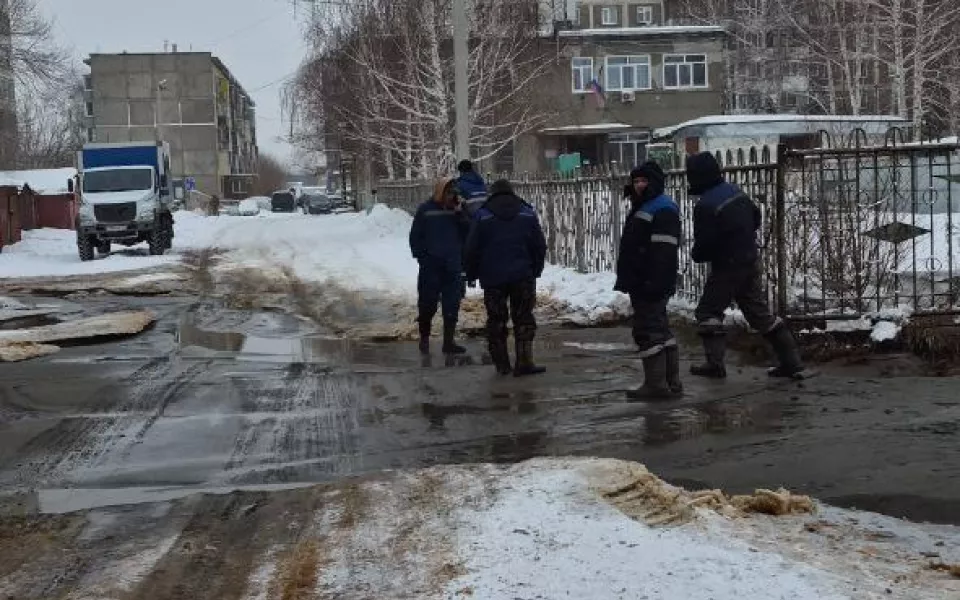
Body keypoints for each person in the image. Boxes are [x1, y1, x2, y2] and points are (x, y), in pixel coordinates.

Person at [686, 151, 811, 380]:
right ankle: (791, 362)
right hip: (749, 259)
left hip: (727, 265)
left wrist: (698, 254)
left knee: (708, 311)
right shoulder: (736, 193)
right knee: (758, 312)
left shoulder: (706, 205)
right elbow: (755, 218)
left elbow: (706, 243)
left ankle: (714, 365)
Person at [614, 161, 683, 399]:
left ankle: (656, 385)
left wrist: (654, 281)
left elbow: (664, 250)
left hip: (650, 280)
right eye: (636, 181)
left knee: (648, 330)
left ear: (655, 182)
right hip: (644, 279)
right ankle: (670, 382)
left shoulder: (661, 208)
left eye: (644, 181)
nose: (639, 185)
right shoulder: (647, 205)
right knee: (660, 328)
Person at [464, 179, 548, 377]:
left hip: (493, 278)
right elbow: (539, 245)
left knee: (496, 320)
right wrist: (535, 269)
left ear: (492, 194)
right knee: (524, 319)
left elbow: (471, 248)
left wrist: (471, 273)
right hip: (523, 276)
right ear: (511, 192)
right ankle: (524, 362)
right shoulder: (526, 213)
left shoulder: (482, 215)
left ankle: (502, 365)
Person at [409, 177, 470, 356]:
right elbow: (415, 237)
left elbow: (469, 233)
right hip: (431, 267)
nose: (452, 196)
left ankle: (448, 343)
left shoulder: (458, 211)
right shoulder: (425, 210)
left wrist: (460, 214)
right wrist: (423, 258)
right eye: (449, 192)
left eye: (454, 193)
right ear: (440, 192)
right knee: (427, 304)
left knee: (452, 305)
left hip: (452, 266)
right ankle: (424, 339)